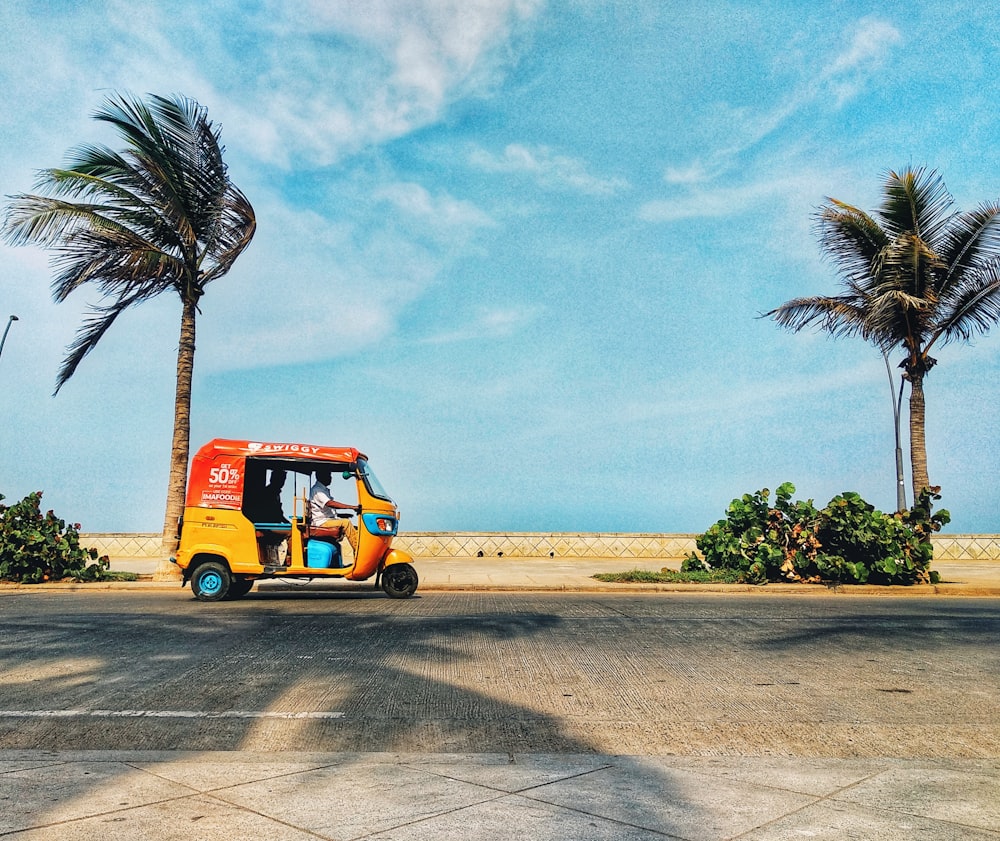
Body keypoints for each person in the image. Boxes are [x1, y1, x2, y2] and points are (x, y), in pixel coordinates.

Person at [309, 468, 360, 565]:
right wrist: (351, 507)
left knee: (355, 528)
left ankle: (356, 554)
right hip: (321, 523)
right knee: (346, 523)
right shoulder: (317, 490)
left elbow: (327, 510)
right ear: (321, 476)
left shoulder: (323, 490)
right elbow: (329, 503)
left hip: (327, 520)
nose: (331, 478)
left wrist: (342, 514)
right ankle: (359, 551)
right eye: (329, 475)